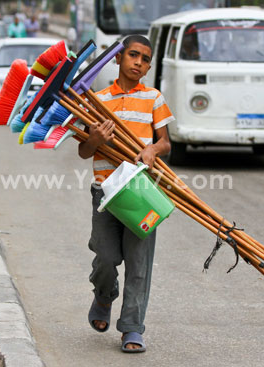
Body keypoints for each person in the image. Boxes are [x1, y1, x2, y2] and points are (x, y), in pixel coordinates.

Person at [78, 35, 174, 353]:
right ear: (118, 58)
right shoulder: (98, 100)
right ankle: (104, 296)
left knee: (139, 263)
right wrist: (94, 139)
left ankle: (132, 328)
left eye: (145, 59)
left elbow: (165, 143)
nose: (139, 62)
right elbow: (83, 151)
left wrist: (151, 149)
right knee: (106, 257)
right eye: (133, 55)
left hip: (142, 190)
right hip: (105, 192)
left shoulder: (154, 98)